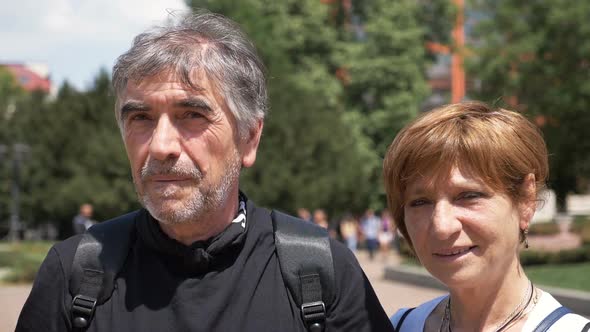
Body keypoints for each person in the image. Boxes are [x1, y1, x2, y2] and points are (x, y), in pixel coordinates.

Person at [16, 11, 393, 332]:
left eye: (192, 116)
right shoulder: (75, 275)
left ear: (249, 138)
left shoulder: (319, 273)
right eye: (141, 118)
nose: (161, 145)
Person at [383, 101, 590, 331]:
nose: (442, 226)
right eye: (420, 202)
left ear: (526, 199)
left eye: (468, 195)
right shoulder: (400, 326)